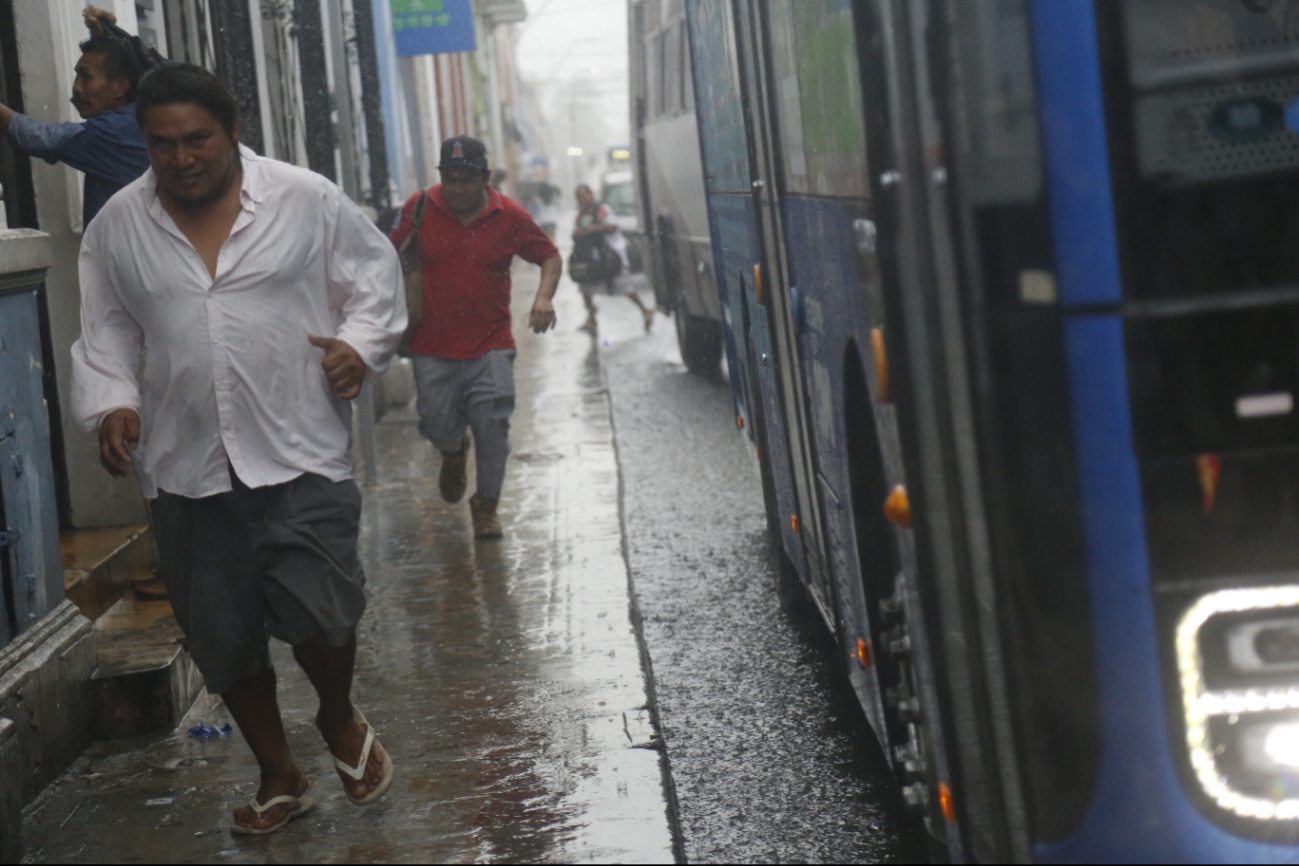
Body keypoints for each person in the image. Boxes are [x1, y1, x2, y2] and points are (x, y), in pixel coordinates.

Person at [70, 64, 406, 835]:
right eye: (163, 145)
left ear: (232, 133)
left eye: (198, 140)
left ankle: (337, 715)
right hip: (185, 464)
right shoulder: (118, 225)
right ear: (143, 144)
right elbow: (107, 328)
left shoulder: (304, 197)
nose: (183, 159)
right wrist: (114, 402)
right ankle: (277, 771)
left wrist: (358, 345)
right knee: (221, 631)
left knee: (324, 610)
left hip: (298, 445)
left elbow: (373, 279)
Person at [389, 136, 562, 539]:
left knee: (493, 426)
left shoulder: (510, 215)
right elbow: (383, 257)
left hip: (491, 344)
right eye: (450, 178)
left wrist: (542, 298)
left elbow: (550, 256)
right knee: (435, 422)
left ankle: (486, 505)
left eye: (467, 179)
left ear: (485, 178)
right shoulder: (419, 208)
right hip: (432, 345)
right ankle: (451, 450)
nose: (458, 188)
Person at [0, 6, 148, 226]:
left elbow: (37, 137)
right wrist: (109, 34)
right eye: (77, 76)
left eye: (86, 77)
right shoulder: (142, 115)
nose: (76, 88)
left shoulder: (112, 131)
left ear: (120, 87)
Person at [573, 183, 653, 333]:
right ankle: (592, 318)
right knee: (585, 286)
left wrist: (597, 228)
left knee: (623, 285)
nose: (583, 199)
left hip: (611, 255)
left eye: (585, 194)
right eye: (579, 197)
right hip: (593, 258)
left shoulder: (603, 210)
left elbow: (613, 227)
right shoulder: (581, 215)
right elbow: (576, 233)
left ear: (591, 195)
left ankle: (645, 311)